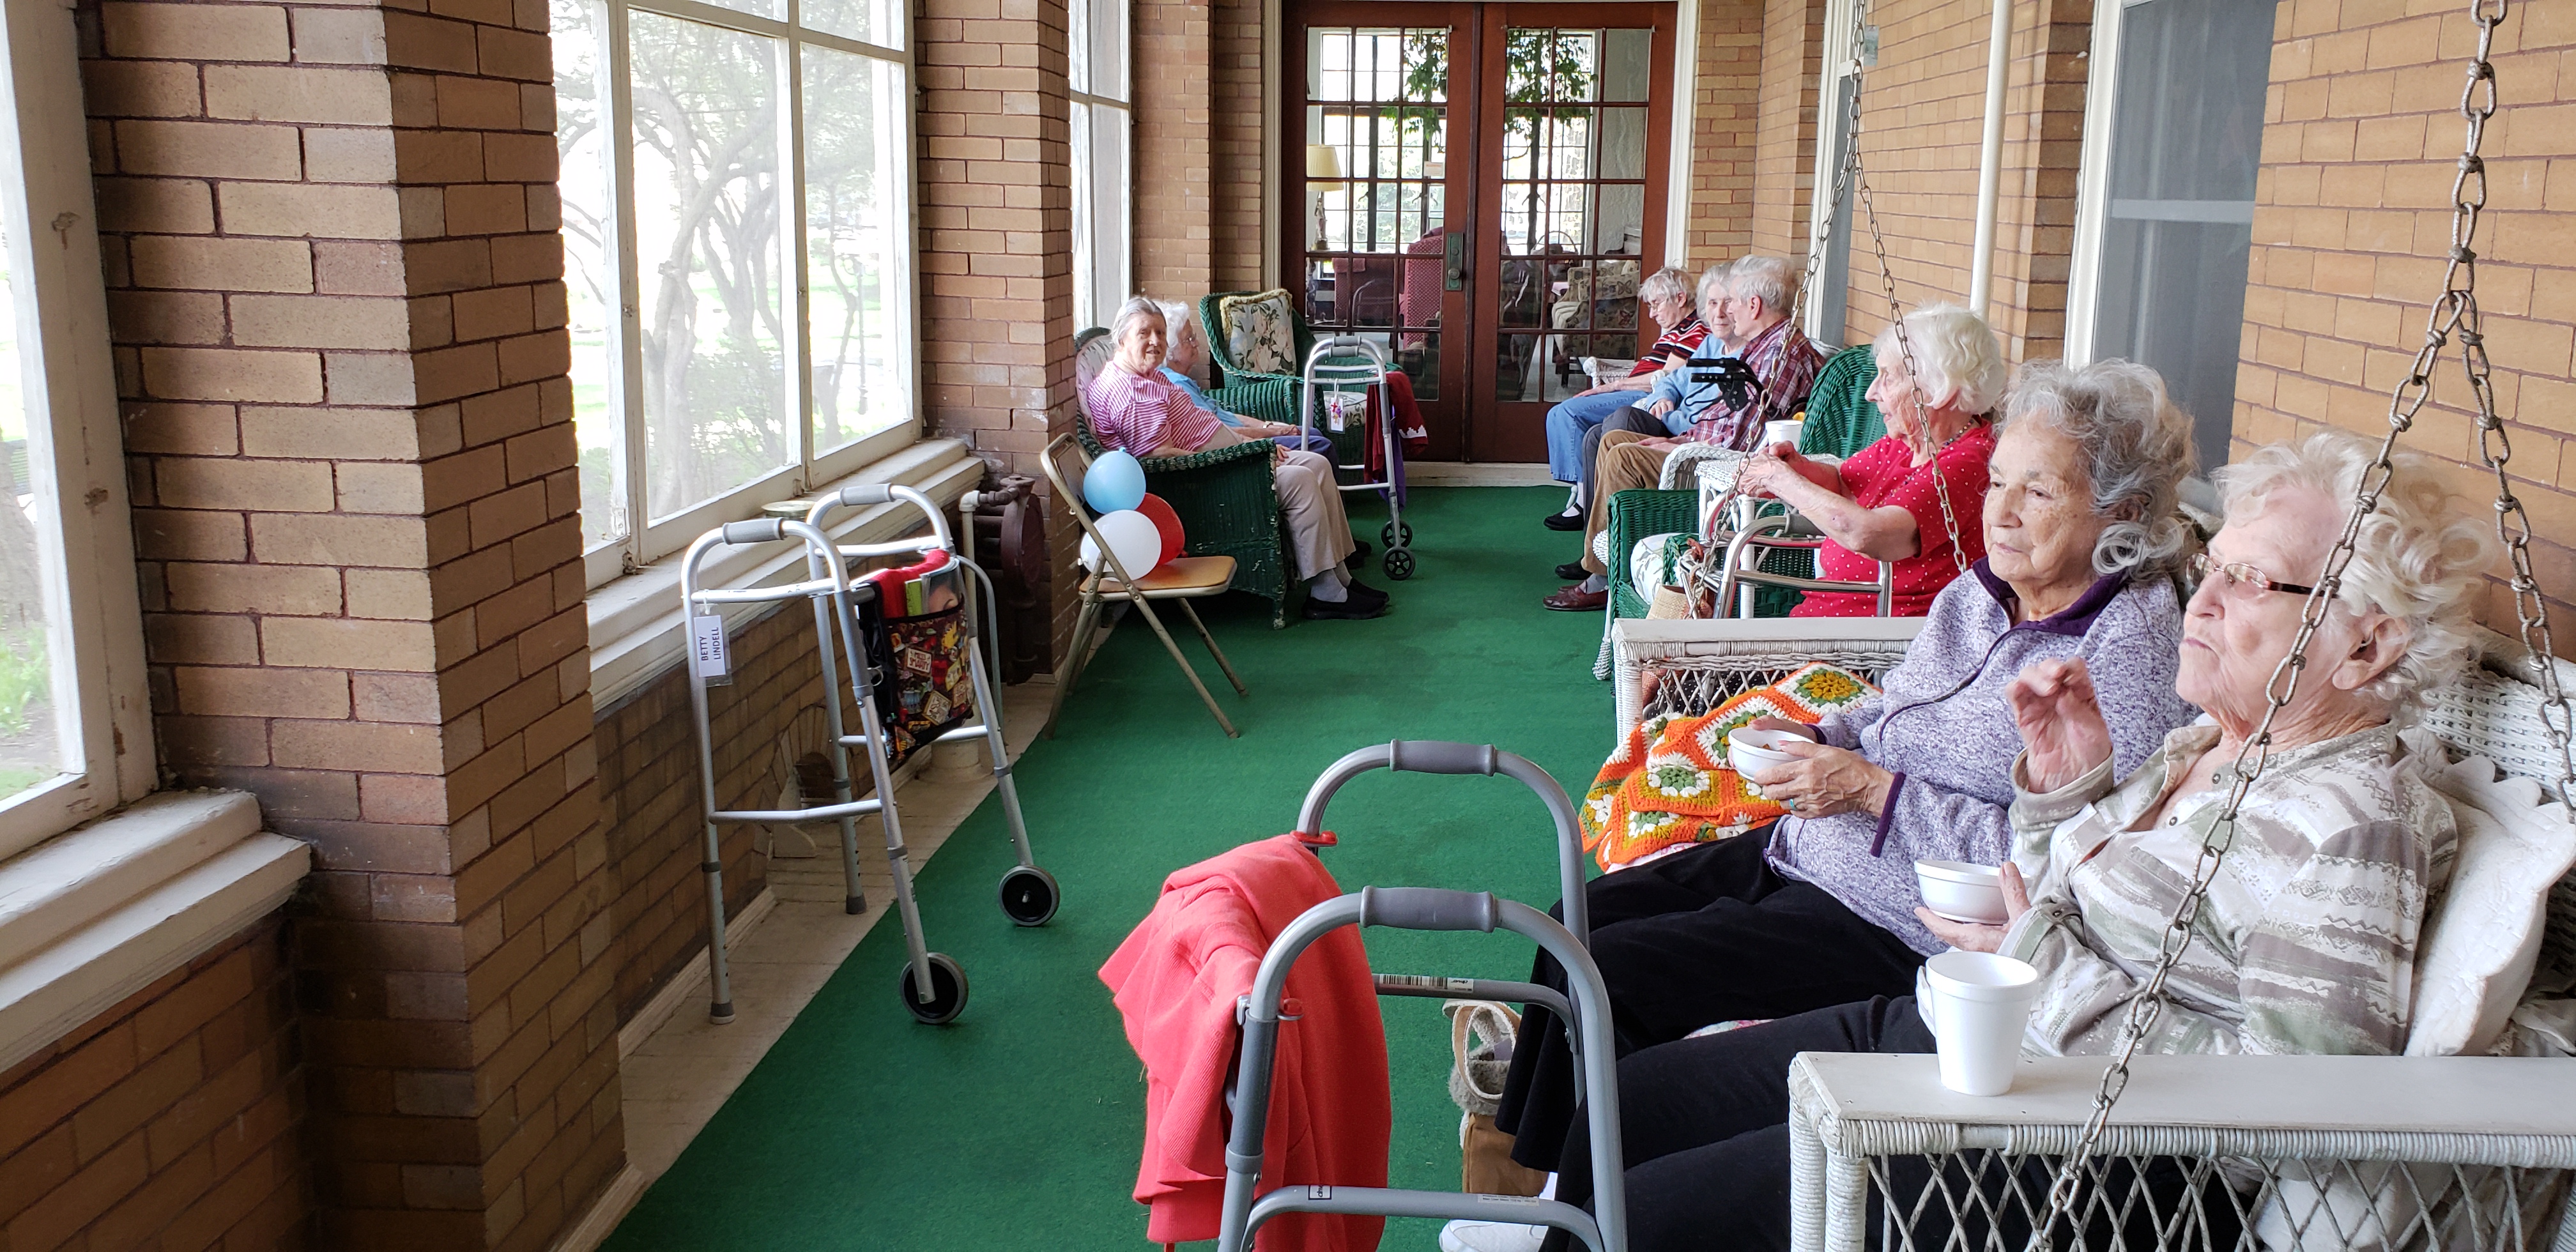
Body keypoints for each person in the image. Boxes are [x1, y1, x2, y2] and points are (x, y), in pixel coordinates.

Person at [1535, 431, 2488, 1252]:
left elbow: (2300, 1115)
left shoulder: (2355, 822)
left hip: (2084, 1149)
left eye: (2250, 583)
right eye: (2216, 570)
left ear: (2367, 646)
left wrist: (2043, 961)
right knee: (1629, 1114)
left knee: (1648, 1215)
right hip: (1966, 1038)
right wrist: (2060, 796)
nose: (2201, 604)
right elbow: (2050, 895)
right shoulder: (2205, 749)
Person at [1446, 360, 2206, 1252]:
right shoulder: (1983, 592)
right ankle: (1540, 1178)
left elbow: (2058, 850)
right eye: (1998, 480)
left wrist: (1870, 789)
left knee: (1617, 970)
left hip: (1901, 919)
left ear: (2122, 513)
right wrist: (1821, 732)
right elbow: (1892, 706)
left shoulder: (2126, 658)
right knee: (1571, 922)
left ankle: (1562, 1210)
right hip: (1811, 844)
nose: (1998, 510)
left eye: (2036, 492)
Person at [1081, 296, 1389, 622]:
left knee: (1318, 464)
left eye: (1160, 332)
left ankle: (1340, 578)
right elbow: (1164, 460)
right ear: (1121, 339)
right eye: (1145, 333)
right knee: (1301, 480)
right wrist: (1248, 458)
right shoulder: (1131, 395)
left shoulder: (1147, 376)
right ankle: (1326, 593)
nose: (1156, 342)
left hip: (1226, 459)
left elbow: (1200, 427)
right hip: (1211, 481)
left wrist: (1246, 443)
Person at [1545, 256, 1825, 611]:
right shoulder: (1757, 347)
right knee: (1613, 439)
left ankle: (1602, 576)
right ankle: (1606, 556)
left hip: (1723, 466)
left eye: (1733, 301)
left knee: (1623, 452)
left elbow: (1738, 435)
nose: (1725, 312)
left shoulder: (1778, 353)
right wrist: (1676, 439)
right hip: (1703, 446)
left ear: (1753, 306)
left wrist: (1679, 442)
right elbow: (1721, 417)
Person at [1731, 302, 2008, 617]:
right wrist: (1798, 469)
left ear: (1940, 388)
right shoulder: (1907, 442)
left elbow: (1869, 534)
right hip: (1828, 621)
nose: (1871, 393)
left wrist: (1780, 479)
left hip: (1877, 642)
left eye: (1888, 377)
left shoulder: (1969, 462)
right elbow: (1844, 482)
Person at [1540, 265, 1708, 530]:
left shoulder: (1695, 331)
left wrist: (1613, 386)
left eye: (1656, 305)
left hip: (1643, 395)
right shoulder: (1677, 330)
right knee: (1565, 415)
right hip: (1636, 388)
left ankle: (1583, 502)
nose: (1652, 314)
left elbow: (1666, 377)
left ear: (1680, 298)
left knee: (1568, 414)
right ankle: (1585, 495)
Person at [1149, 300, 1338, 457]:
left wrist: (1268, 425)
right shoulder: (1177, 386)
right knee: (1320, 445)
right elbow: (1219, 433)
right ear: (1170, 350)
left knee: (1313, 433)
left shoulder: (1182, 380)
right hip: (1240, 445)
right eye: (1189, 339)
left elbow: (1226, 416)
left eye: (1194, 337)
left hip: (1247, 435)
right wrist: (1274, 432)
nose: (1197, 343)